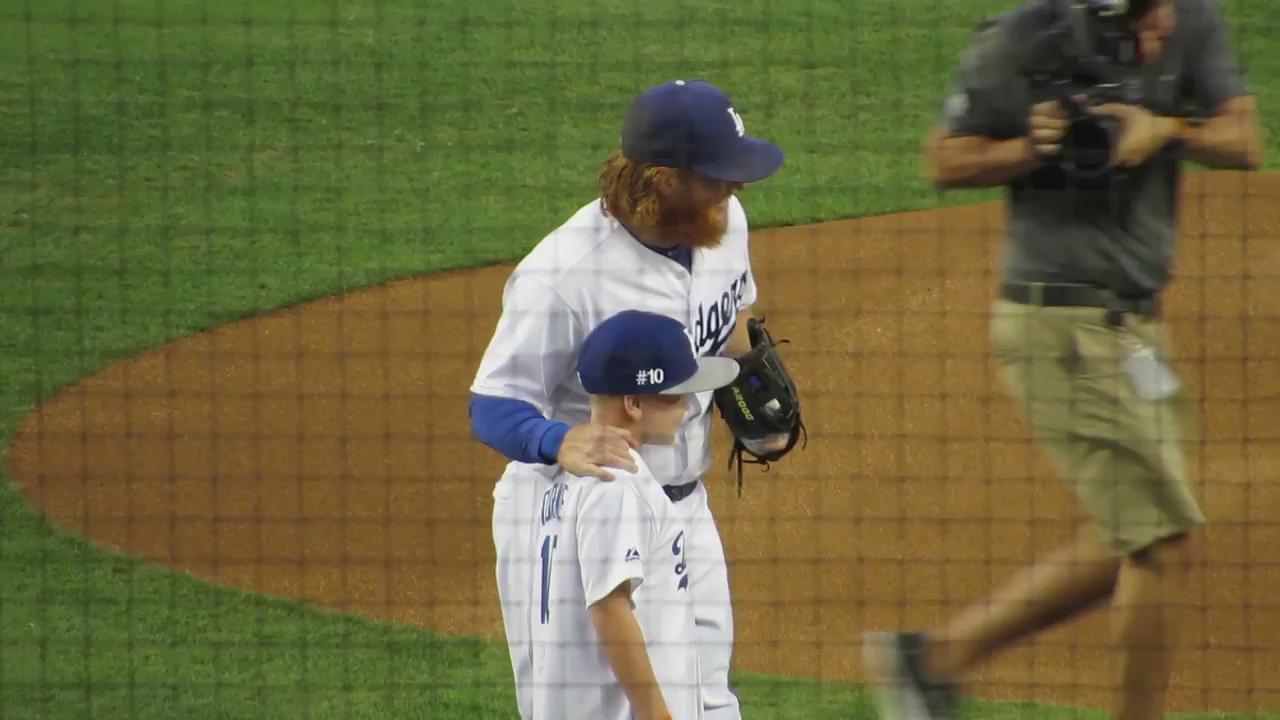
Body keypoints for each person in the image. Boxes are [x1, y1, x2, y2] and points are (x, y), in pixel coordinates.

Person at [862, 1, 1263, 719]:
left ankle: (934, 659)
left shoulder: (1195, 23)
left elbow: (1245, 139)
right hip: (1059, 324)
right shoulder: (1025, 37)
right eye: (1143, 20)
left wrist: (1166, 127)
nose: (1160, 29)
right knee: (1162, 540)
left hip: (1140, 333)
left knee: (1143, 530)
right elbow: (943, 158)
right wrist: (1032, 145)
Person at [468, 78, 790, 720]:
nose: (737, 190)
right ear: (666, 181)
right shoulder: (562, 277)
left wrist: (743, 377)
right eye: (719, 177)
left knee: (709, 699)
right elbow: (492, 402)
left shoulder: (725, 225)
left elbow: (735, 312)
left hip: (682, 503)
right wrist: (560, 439)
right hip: (578, 516)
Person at [530, 309, 741, 720]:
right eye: (677, 392)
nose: (689, 405)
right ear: (634, 402)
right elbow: (610, 610)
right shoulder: (618, 486)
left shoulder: (566, 484)